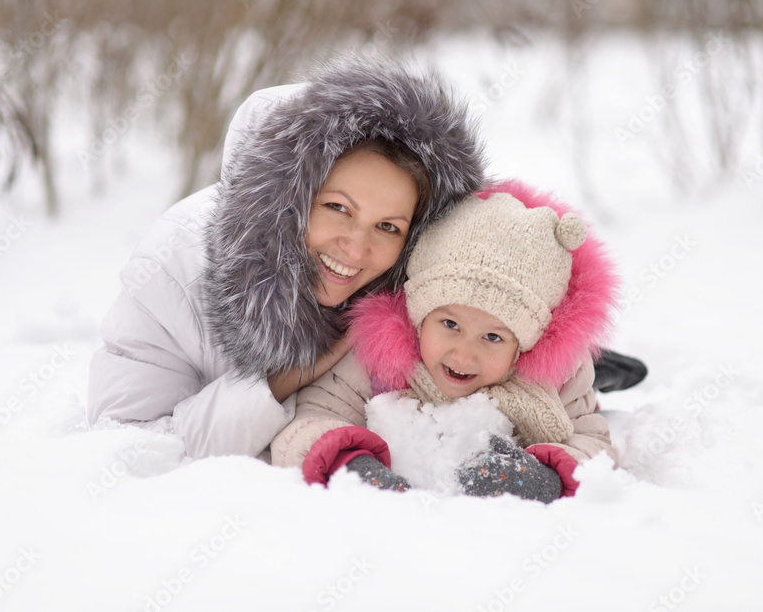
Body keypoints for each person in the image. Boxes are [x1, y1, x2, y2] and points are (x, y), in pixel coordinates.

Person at [85, 58, 488, 458]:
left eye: (388, 227)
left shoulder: (416, 295)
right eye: (338, 208)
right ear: (285, 202)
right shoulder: (173, 267)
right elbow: (125, 444)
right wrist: (277, 383)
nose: (355, 248)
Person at [272, 181, 620, 502]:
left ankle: (612, 368)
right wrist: (351, 463)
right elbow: (313, 417)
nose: (464, 354)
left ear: (526, 344)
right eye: (450, 323)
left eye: (493, 337)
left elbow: (591, 441)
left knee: (593, 381)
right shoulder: (376, 358)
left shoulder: (558, 376)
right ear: (418, 315)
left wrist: (542, 478)